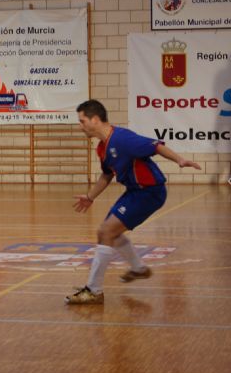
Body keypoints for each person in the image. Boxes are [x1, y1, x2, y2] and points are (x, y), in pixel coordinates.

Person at [65, 99, 201, 305]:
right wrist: (90, 196)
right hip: (134, 191)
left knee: (106, 232)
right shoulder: (102, 149)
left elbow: (155, 146)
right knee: (109, 231)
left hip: (149, 192)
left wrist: (179, 160)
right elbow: (106, 176)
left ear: (94, 119)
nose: (80, 125)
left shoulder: (123, 139)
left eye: (82, 121)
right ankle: (138, 269)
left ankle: (94, 291)